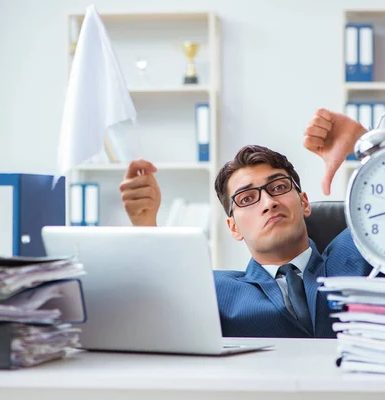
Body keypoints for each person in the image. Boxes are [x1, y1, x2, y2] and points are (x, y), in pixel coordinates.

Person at [118, 108, 372, 338]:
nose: (268, 202)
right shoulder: (215, 291)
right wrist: (145, 225)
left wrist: (370, 147)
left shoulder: (360, 248)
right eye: (247, 198)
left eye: (279, 187)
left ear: (304, 202)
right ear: (233, 227)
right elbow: (153, 310)